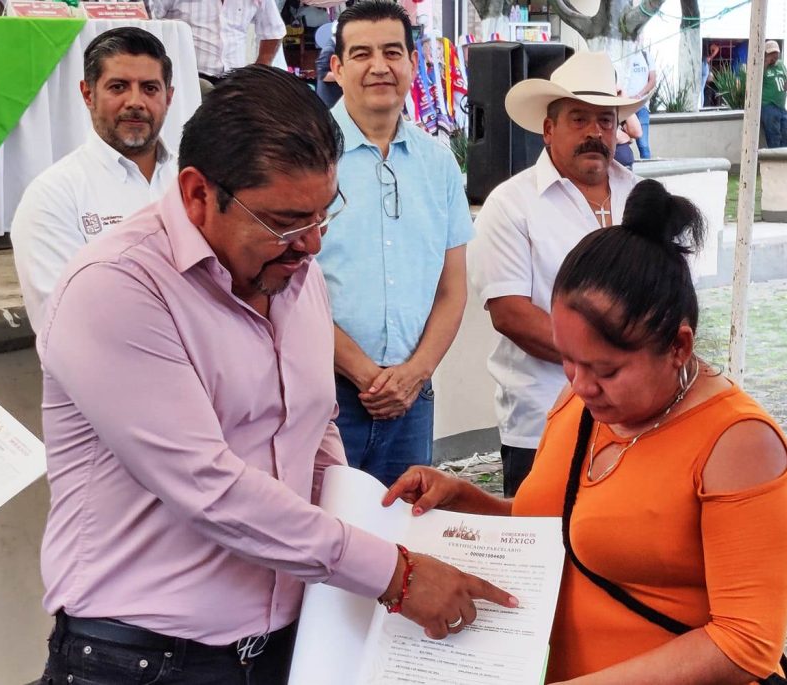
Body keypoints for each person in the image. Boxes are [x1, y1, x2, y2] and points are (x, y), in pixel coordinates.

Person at [36, 65, 516, 685]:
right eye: (285, 221)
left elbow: (310, 427)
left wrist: (375, 513)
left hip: (284, 645)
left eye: (323, 216)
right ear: (197, 194)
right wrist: (396, 574)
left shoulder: (291, 271)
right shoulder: (117, 288)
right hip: (142, 658)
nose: (311, 245)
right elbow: (208, 487)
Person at [387, 180, 787, 685]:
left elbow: (745, 644)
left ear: (678, 346)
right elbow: (565, 529)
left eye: (606, 370)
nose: (582, 384)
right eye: (568, 359)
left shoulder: (738, 442)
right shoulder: (579, 404)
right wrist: (465, 500)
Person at [472, 50, 644, 496]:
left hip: (637, 420)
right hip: (544, 420)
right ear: (548, 130)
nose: (594, 133)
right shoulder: (511, 204)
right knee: (543, 537)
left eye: (605, 120)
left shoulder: (643, 198)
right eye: (578, 119)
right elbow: (511, 314)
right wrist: (611, 361)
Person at [315, 1, 472, 487]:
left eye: (392, 52)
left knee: (402, 525)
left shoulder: (438, 164)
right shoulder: (307, 157)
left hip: (412, 397)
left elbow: (452, 289)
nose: (379, 66)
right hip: (326, 392)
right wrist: (364, 373)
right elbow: (290, 289)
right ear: (337, 67)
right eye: (361, 54)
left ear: (412, 62)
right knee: (324, 524)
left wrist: (415, 374)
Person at [10, 27, 177, 334]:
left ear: (169, 97)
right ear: (88, 94)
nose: (135, 101)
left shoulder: (196, 182)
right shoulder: (53, 196)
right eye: (118, 87)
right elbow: (65, 321)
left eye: (150, 88)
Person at [148, 0, 286, 83]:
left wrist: (260, 69)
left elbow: (274, 30)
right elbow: (147, 20)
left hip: (234, 82)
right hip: (187, 79)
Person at [620, 45, 657, 159]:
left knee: (643, 145)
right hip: (624, 105)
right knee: (622, 142)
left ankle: (647, 168)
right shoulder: (623, 54)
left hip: (641, 105)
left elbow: (652, 81)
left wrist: (639, 95)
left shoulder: (646, 56)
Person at [760, 40, 787, 148]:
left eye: (776, 53)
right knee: (774, 138)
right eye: (771, 53)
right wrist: (766, 63)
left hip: (781, 106)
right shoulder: (762, 67)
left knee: (786, 138)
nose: (774, 56)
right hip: (769, 105)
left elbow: (785, 79)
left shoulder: (781, 65)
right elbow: (757, 80)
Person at [313, 20, 342, 107]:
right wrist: (345, 76)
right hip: (329, 100)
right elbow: (322, 74)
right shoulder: (329, 49)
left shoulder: (338, 48)